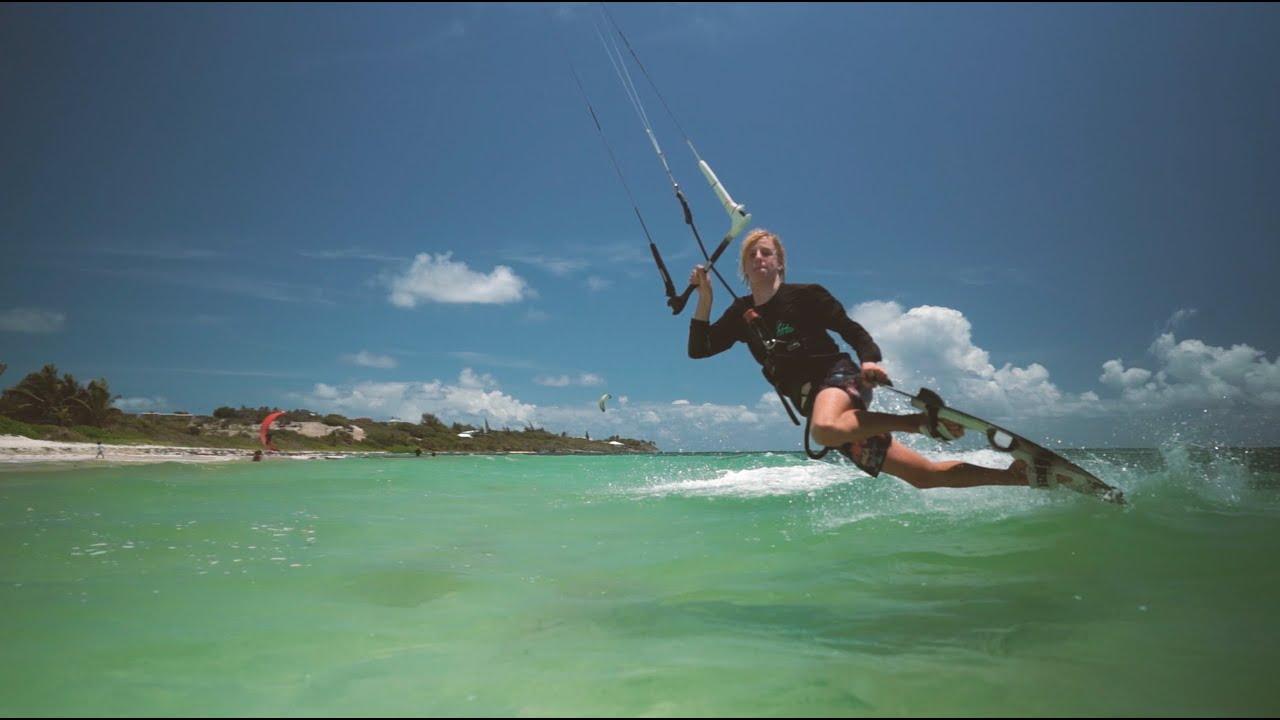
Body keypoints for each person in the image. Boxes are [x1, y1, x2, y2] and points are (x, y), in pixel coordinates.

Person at [687, 228, 1029, 489]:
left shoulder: (807, 295)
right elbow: (699, 349)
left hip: (838, 377)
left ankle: (922, 423)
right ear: (745, 268)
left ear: (779, 262)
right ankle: (1018, 477)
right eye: (752, 255)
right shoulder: (740, 313)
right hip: (815, 404)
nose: (759, 258)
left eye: (766, 253)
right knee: (922, 477)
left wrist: (869, 361)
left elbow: (851, 330)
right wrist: (706, 298)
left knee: (825, 428)